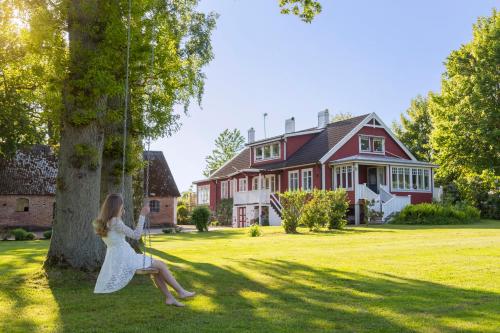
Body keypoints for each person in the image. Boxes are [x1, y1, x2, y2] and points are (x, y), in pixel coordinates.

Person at [93, 193, 195, 306]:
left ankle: (170, 298)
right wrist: (142, 215)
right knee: (161, 265)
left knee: (157, 269)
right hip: (126, 258)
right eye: (122, 206)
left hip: (118, 258)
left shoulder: (104, 222)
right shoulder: (115, 221)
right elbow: (136, 235)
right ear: (117, 207)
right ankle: (181, 292)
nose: (123, 209)